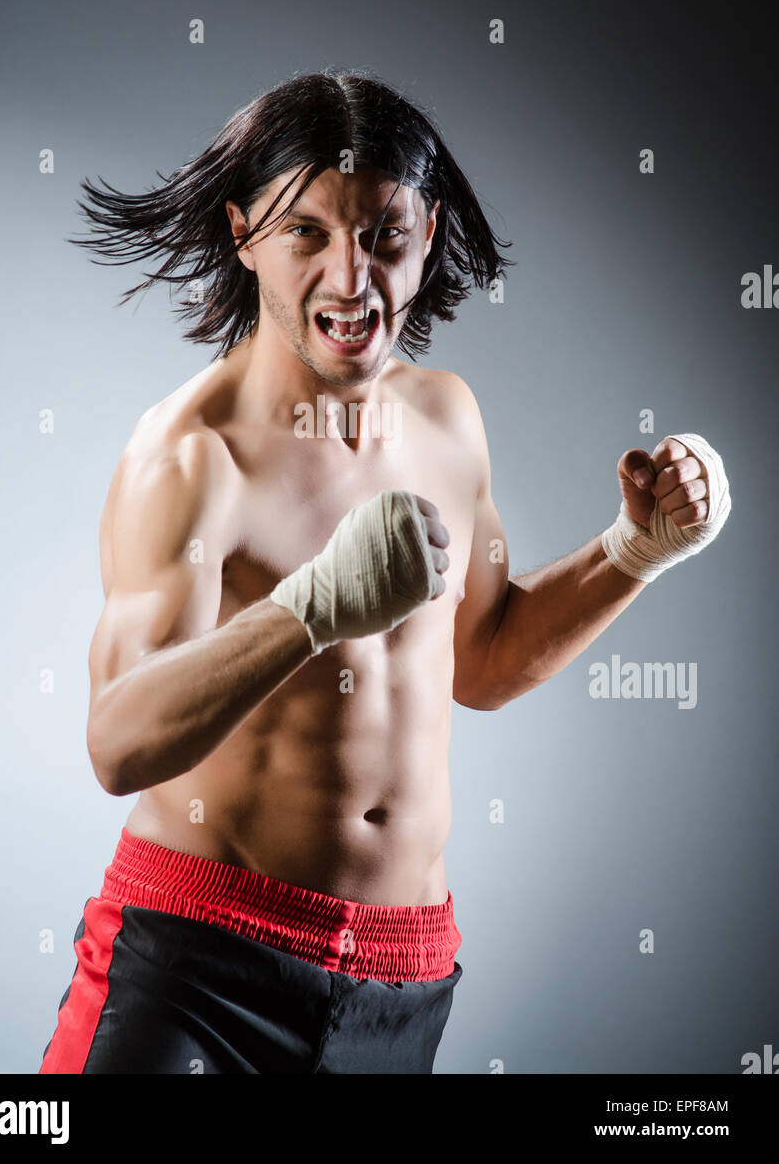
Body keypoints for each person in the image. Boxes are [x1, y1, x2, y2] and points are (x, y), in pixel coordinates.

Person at [38, 69, 730, 1074]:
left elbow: (484, 661)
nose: (351, 278)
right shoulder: (193, 455)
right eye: (307, 233)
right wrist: (311, 607)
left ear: (430, 230)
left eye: (381, 235)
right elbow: (115, 741)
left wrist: (633, 553)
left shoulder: (448, 418)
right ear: (243, 235)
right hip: (200, 972)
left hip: (402, 990)